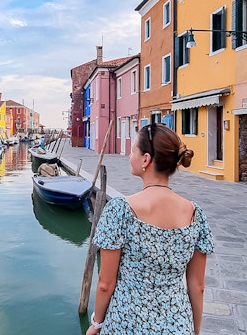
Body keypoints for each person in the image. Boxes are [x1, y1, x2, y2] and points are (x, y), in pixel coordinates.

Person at [86, 123, 214, 335]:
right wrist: (194, 330)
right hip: (178, 324)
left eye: (133, 150)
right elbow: (197, 286)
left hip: (126, 323)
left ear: (146, 159)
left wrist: (96, 323)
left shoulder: (120, 210)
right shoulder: (194, 213)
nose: (129, 155)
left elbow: (105, 284)